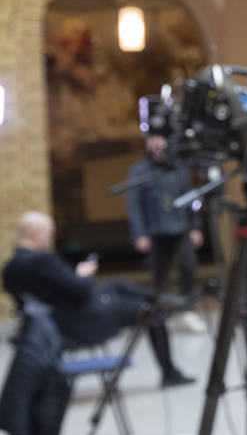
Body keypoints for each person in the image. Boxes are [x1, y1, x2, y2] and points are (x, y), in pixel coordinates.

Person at [2, 211, 194, 388]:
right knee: (152, 311)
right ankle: (169, 372)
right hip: (81, 321)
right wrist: (82, 275)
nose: (49, 238)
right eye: (48, 234)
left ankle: (168, 299)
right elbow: (81, 292)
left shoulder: (10, 268)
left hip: (56, 318)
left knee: (116, 284)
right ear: (36, 233)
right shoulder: (43, 260)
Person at [125, 134, 205, 333]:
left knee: (188, 267)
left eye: (161, 139)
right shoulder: (140, 170)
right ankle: (160, 315)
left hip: (180, 229)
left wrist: (195, 226)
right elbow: (134, 206)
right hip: (156, 231)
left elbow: (190, 199)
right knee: (159, 275)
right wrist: (139, 234)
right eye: (152, 140)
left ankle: (188, 310)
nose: (157, 145)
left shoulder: (179, 169)